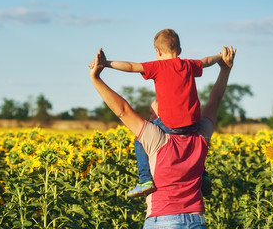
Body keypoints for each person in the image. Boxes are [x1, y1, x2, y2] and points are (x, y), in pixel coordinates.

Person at [89, 46, 236, 228]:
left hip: (163, 220)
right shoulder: (201, 134)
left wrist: (95, 79)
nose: (150, 118)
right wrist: (225, 70)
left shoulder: (156, 139)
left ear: (161, 117)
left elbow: (123, 110)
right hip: (197, 219)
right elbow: (215, 100)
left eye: (151, 114)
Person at [92, 29, 222, 197]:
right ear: (180, 51)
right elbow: (206, 60)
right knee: (194, 144)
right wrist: (219, 57)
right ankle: (203, 175)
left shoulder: (157, 66)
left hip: (171, 125)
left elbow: (131, 66)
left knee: (140, 139)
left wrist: (107, 63)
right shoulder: (189, 64)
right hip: (193, 124)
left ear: (158, 51)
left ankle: (145, 179)